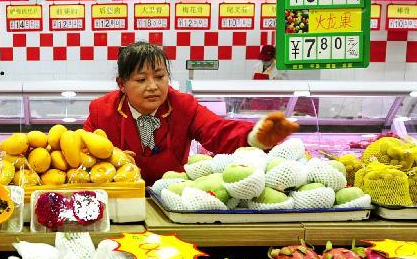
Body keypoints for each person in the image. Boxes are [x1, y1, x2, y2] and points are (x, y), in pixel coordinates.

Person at [85, 42, 299, 184]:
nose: (153, 86)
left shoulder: (183, 105)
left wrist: (255, 137)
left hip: (172, 197)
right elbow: (83, 157)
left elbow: (218, 131)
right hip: (120, 199)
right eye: (141, 79)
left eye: (159, 77)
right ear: (121, 84)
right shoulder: (101, 111)